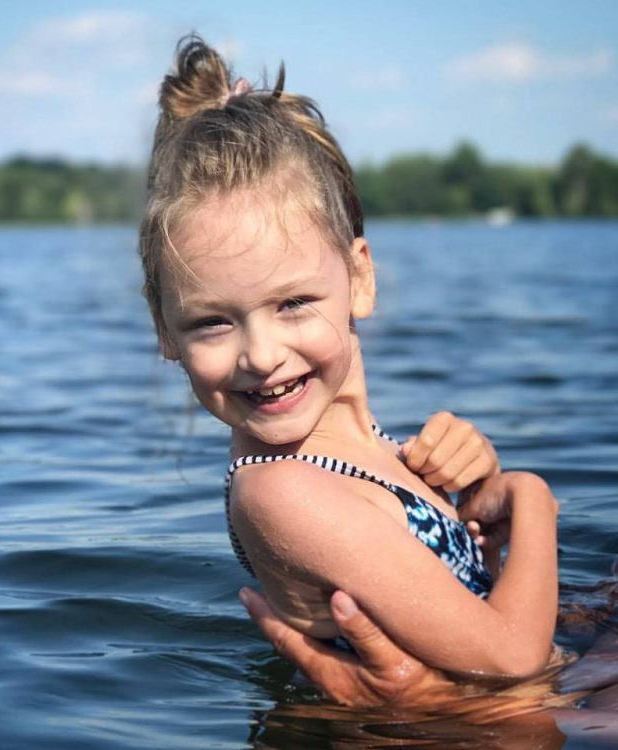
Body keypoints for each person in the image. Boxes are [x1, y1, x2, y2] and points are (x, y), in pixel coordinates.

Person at [140, 35, 559, 686]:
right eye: (212, 321)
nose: (262, 354)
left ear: (359, 278)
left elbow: (477, 611)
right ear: (165, 329)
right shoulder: (283, 490)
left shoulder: (372, 456)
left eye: (293, 302)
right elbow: (509, 656)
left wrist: (482, 500)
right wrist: (533, 500)